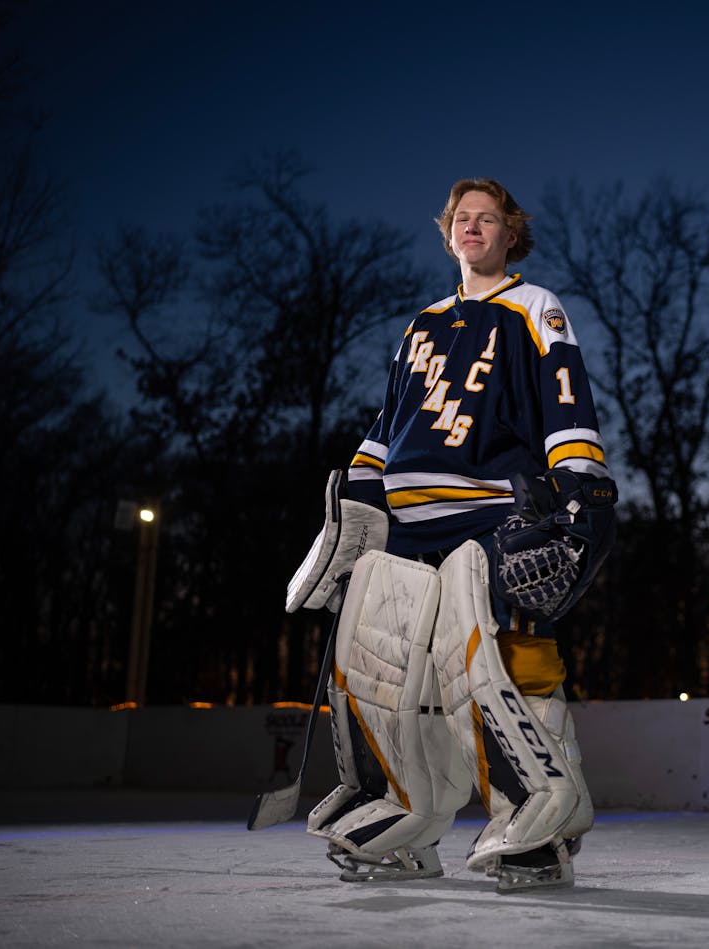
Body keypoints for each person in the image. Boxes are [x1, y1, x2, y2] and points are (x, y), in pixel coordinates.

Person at [284, 177, 616, 891]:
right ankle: (408, 817)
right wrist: (357, 502)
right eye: (462, 218)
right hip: (407, 523)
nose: (473, 227)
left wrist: (579, 479)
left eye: (488, 219)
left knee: (504, 664)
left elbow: (564, 394)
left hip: (496, 512)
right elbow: (390, 421)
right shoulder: (422, 323)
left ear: (509, 234)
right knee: (393, 671)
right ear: (448, 233)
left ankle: (543, 820)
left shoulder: (535, 307)